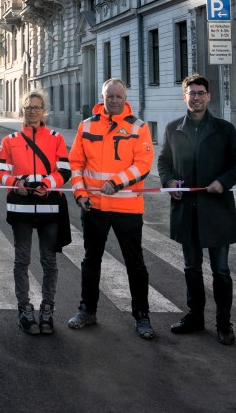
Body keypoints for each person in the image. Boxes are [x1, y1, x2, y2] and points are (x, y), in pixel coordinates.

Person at [157, 74, 236, 346]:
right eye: (191, 93)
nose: (196, 97)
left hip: (216, 211)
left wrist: (223, 182)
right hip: (187, 211)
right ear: (184, 97)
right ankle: (195, 316)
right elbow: (163, 162)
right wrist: (168, 181)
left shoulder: (224, 129)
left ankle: (224, 323)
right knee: (191, 269)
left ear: (208, 96)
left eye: (200, 93)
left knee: (220, 271)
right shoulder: (174, 128)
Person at [67, 78, 156, 339]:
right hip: (94, 206)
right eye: (110, 97)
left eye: (119, 96)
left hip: (127, 207)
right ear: (102, 97)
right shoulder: (86, 126)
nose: (114, 101)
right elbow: (76, 164)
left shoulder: (139, 127)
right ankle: (87, 311)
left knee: (135, 264)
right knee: (90, 261)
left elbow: (143, 163)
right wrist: (80, 193)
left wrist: (116, 182)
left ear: (125, 97)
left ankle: (142, 316)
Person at [0, 90, 71, 335]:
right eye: (28, 107)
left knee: (49, 261)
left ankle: (47, 308)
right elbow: (0, 171)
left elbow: (65, 170)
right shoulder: (11, 140)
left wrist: (49, 185)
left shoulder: (56, 137)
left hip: (49, 206)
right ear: (22, 111)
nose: (33, 111)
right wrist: (14, 183)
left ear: (43, 110)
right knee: (22, 260)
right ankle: (24, 309)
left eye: (37, 107)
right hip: (21, 206)